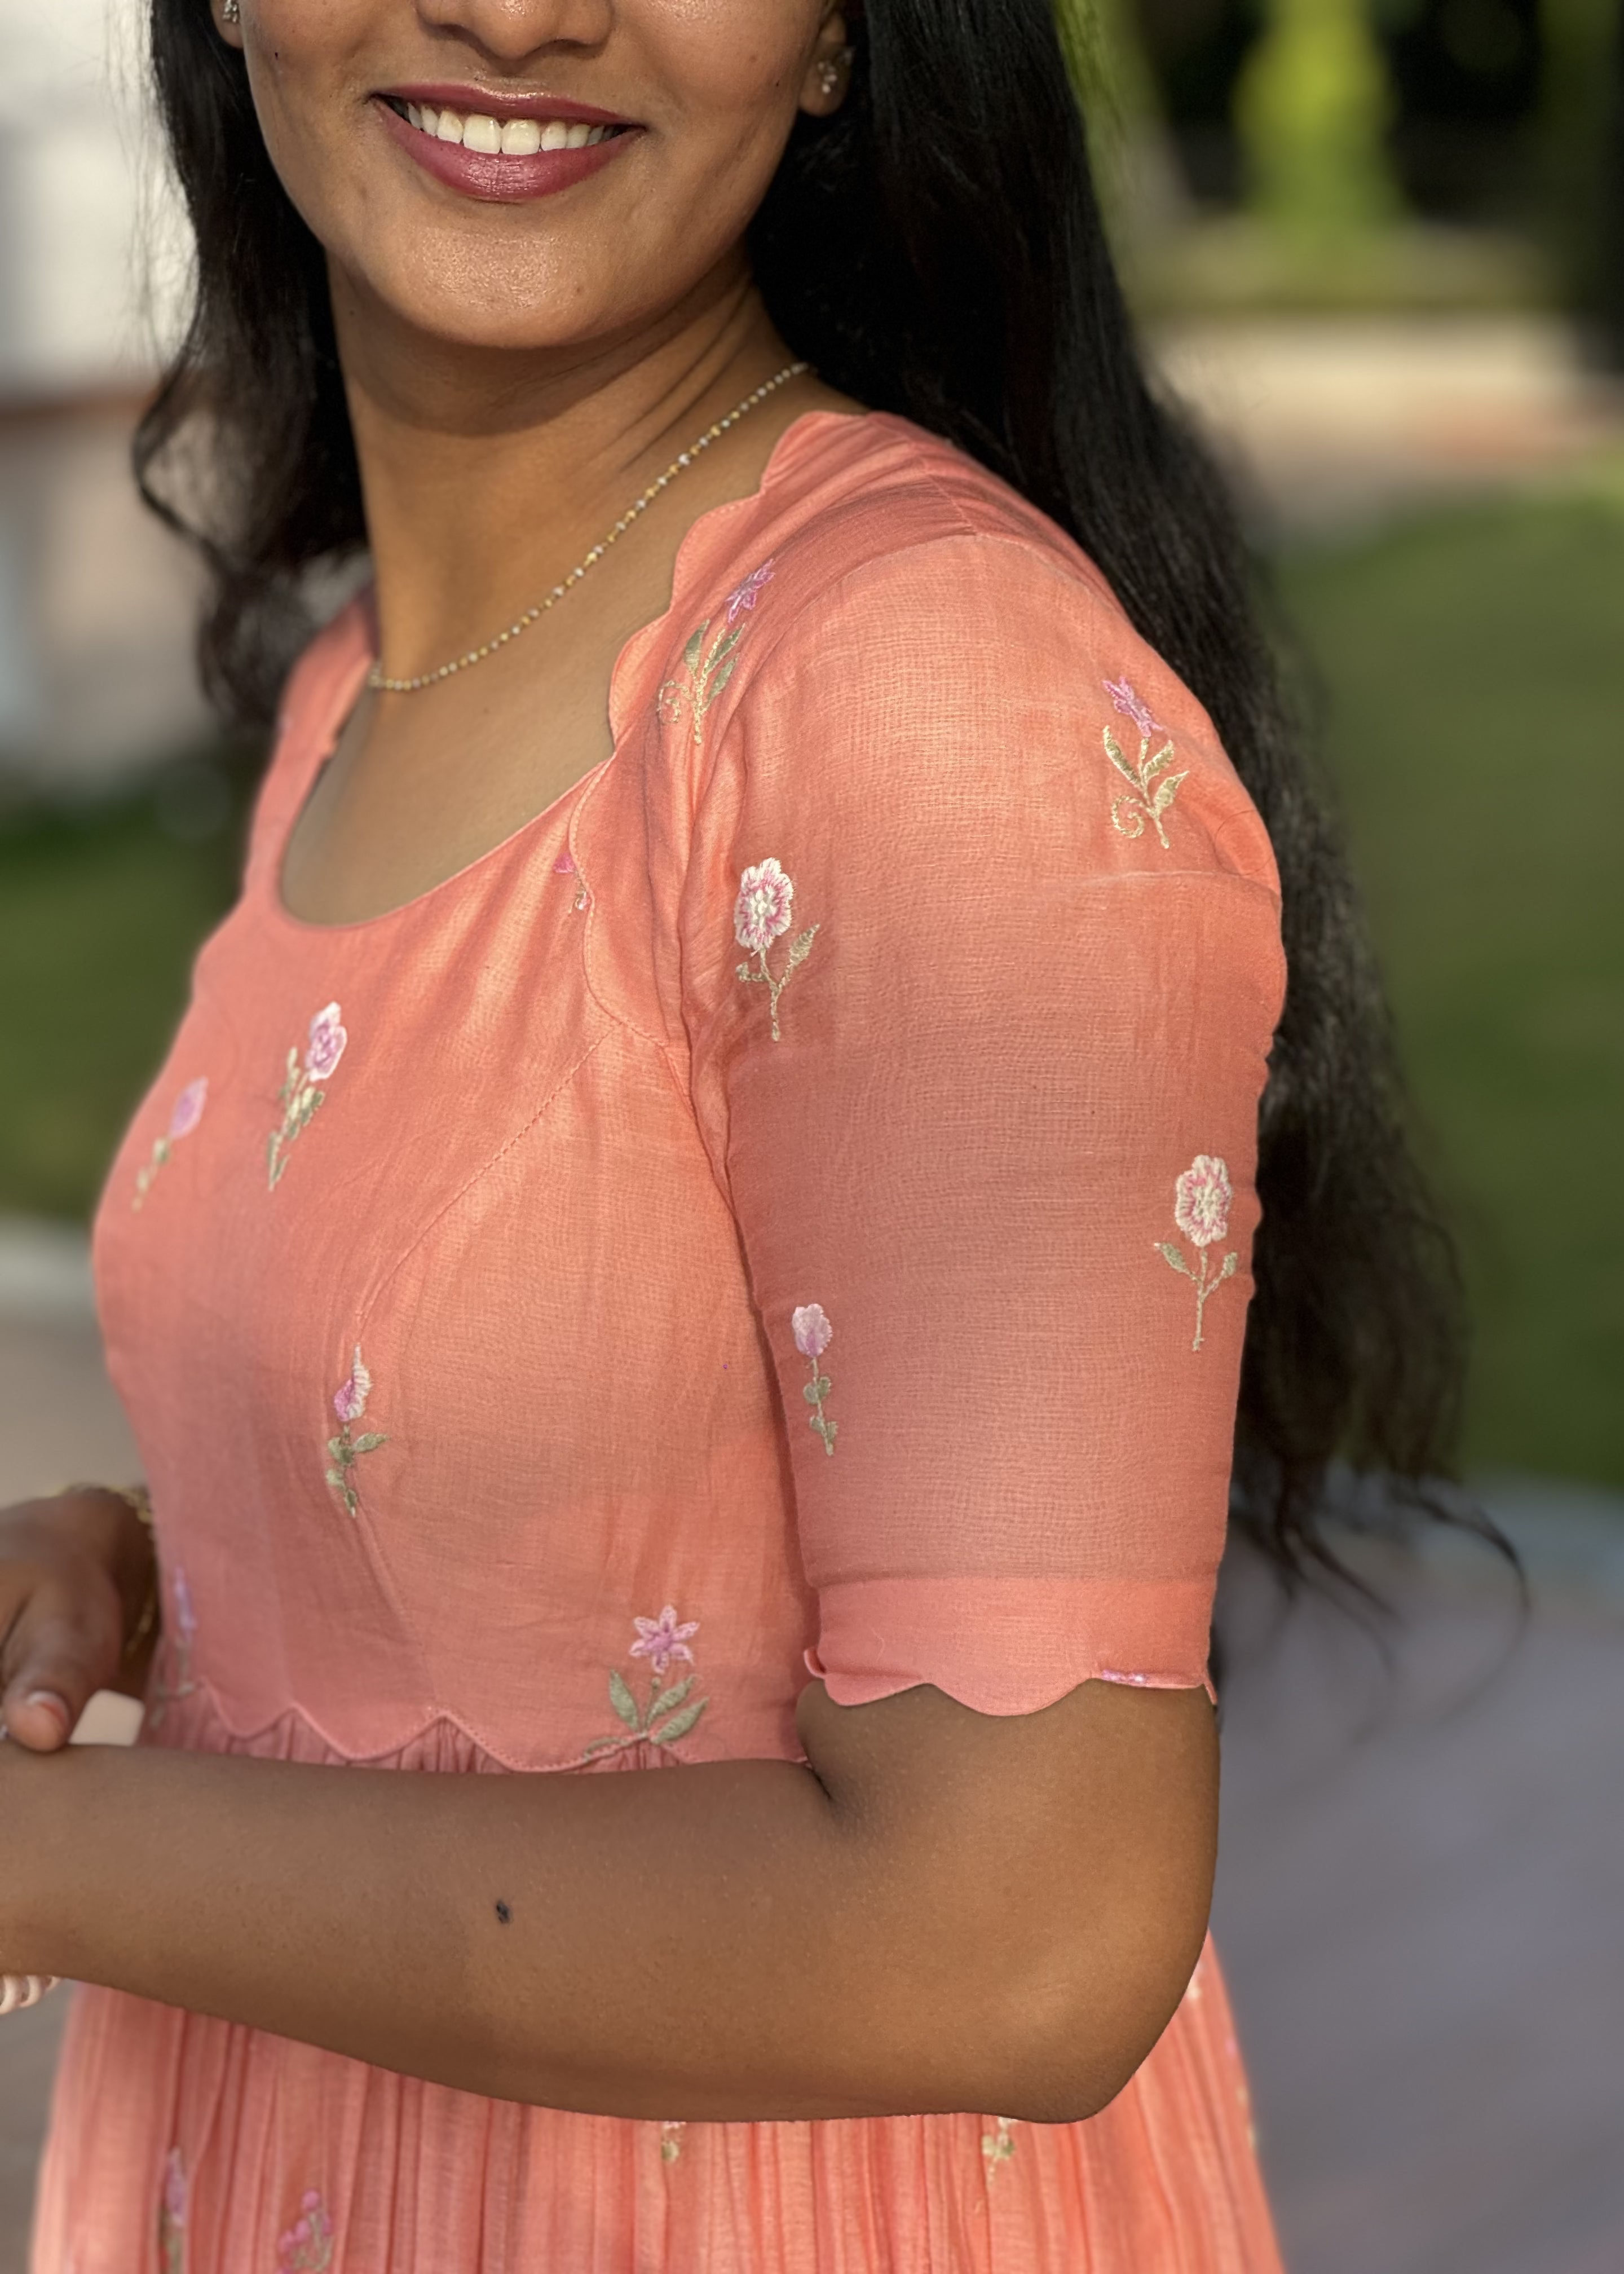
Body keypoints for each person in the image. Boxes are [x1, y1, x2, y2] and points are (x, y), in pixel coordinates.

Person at [0, 2, 1469, 2267]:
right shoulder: (360, 683)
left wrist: (43, 1860)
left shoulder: (914, 692)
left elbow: (1017, 1933)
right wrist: (159, 1563)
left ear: (839, 36)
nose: (519, 8)